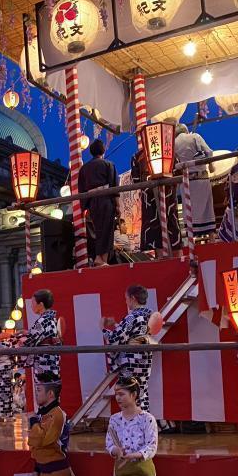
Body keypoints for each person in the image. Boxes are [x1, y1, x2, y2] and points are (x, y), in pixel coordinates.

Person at [102, 285, 157, 411]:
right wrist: (116, 324)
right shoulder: (149, 316)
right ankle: (144, 423)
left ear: (132, 298)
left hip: (132, 361)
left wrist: (103, 329)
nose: (126, 302)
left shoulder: (132, 317)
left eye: (126, 299)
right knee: (141, 391)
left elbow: (114, 339)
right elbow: (135, 333)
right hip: (145, 358)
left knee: (128, 392)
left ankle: (131, 424)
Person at [77, 138, 118, 266]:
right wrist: (118, 205)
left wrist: (85, 206)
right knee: (107, 230)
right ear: (103, 151)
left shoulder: (84, 169)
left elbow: (82, 189)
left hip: (92, 202)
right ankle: (102, 259)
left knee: (96, 231)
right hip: (106, 200)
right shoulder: (108, 164)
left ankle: (97, 257)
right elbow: (114, 186)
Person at [6, 288, 61, 381]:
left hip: (44, 361)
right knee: (50, 389)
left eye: (33, 303)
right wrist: (26, 332)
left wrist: (11, 341)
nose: (31, 306)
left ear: (41, 304)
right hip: (50, 358)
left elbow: (29, 341)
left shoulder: (43, 320)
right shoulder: (50, 318)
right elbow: (40, 335)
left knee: (44, 390)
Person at [134, 149, 181, 255]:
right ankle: (177, 257)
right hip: (168, 195)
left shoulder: (138, 156)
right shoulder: (170, 152)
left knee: (155, 227)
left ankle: (162, 257)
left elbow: (135, 180)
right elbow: (178, 173)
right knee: (171, 225)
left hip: (150, 197)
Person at [173, 123, 215, 237]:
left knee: (189, 211)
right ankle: (211, 238)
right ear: (186, 130)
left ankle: (192, 240)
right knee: (207, 209)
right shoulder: (195, 137)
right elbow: (209, 152)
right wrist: (211, 165)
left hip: (186, 181)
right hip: (201, 178)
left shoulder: (174, 143)